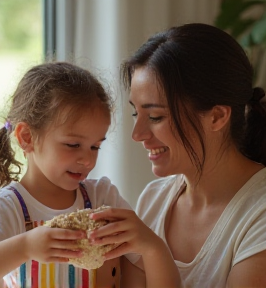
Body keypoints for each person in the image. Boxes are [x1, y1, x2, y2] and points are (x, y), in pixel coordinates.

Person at [89, 23, 266, 288]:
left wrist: (155, 251)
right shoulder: (154, 199)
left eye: (156, 117)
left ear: (217, 116)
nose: (137, 134)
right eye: (137, 114)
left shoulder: (258, 214)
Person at [0, 62, 177, 288]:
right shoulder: (8, 207)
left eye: (95, 147)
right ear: (27, 137)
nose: (88, 160)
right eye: (73, 145)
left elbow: (152, 275)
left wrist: (153, 246)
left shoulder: (102, 197)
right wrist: (25, 247)